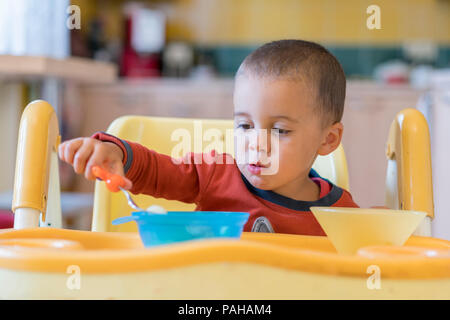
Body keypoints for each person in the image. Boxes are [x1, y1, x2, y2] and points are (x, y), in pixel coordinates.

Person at [59, 39, 359, 236]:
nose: (256, 143)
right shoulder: (214, 176)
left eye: (279, 130)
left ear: (328, 139)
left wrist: (382, 228)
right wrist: (117, 154)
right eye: (244, 126)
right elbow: (156, 171)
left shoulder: (340, 214)